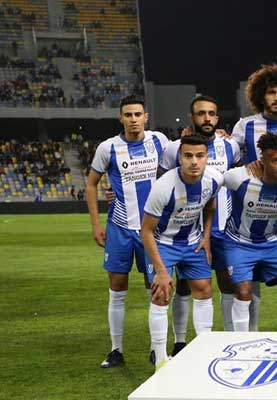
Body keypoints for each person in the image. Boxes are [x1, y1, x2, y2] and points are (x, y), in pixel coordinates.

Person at [86, 95, 169, 368]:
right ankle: (116, 350)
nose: (133, 119)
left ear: (146, 117)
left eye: (138, 114)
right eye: (128, 115)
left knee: (154, 287)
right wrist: (95, 224)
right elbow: (91, 184)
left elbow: (182, 160)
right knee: (117, 286)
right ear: (120, 118)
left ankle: (157, 349)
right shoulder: (108, 147)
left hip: (152, 229)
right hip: (120, 227)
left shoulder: (159, 141)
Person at [158, 95, 241, 355]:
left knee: (227, 284)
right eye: (201, 113)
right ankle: (180, 342)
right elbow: (162, 183)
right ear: (192, 117)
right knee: (184, 286)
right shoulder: (174, 148)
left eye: (211, 113)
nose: (206, 118)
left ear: (217, 117)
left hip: (224, 228)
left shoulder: (231, 146)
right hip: (189, 231)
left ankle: (228, 340)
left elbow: (238, 179)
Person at [231, 63, 277, 330]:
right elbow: (230, 157)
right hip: (257, 210)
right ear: (260, 95)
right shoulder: (245, 126)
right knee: (251, 277)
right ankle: (250, 333)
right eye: (271, 92)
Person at [142, 134, 224, 371]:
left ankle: (203, 351)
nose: (194, 162)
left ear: (207, 157)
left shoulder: (214, 179)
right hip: (163, 243)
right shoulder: (163, 187)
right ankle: (160, 359)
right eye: (188, 156)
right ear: (179, 157)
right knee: (161, 293)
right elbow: (146, 231)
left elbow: (210, 206)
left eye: (200, 156)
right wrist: (161, 271)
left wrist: (206, 236)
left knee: (204, 289)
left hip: (193, 242)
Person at [223, 132, 277, 332]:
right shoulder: (238, 178)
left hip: (271, 241)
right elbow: (210, 182)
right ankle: (241, 342)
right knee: (243, 292)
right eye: (275, 160)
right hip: (239, 242)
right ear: (263, 160)